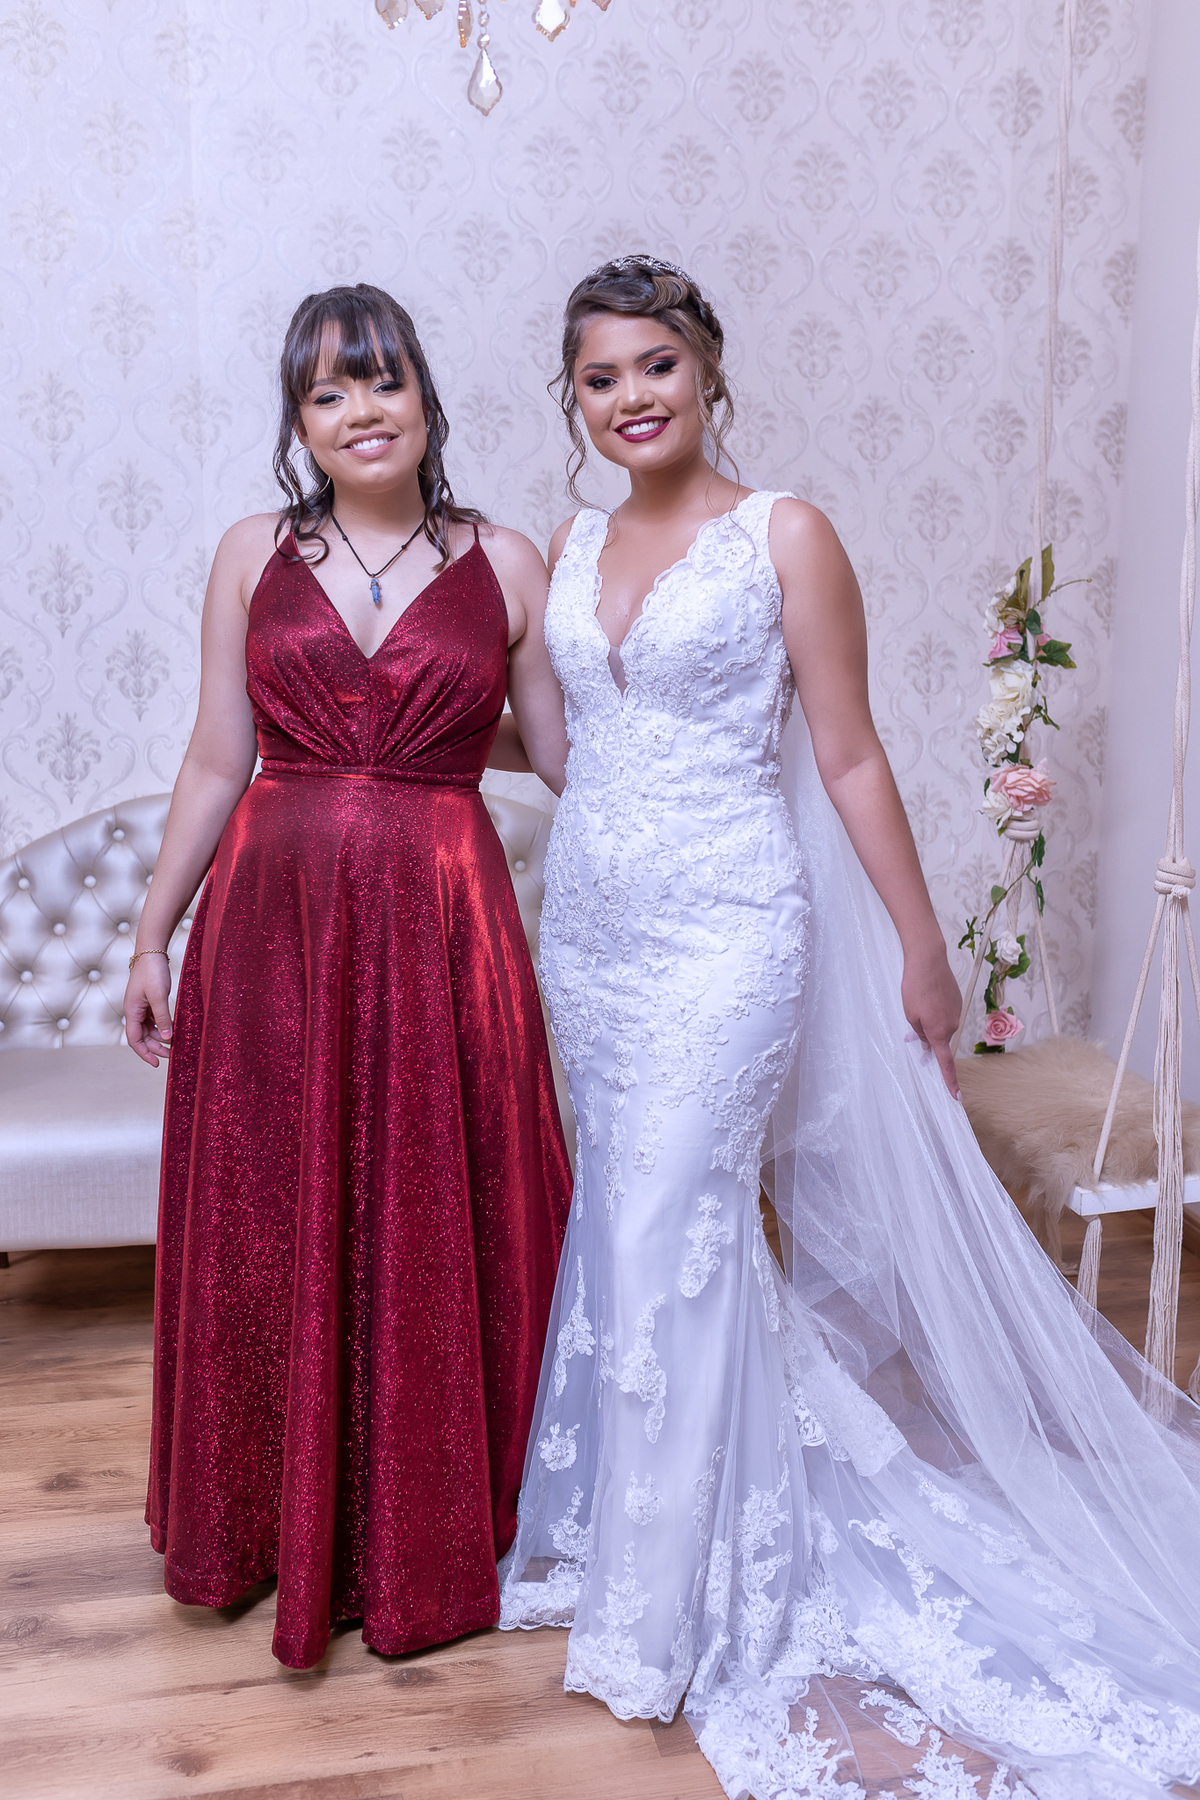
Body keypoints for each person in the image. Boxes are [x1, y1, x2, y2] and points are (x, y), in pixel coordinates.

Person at [499, 257, 1200, 1797]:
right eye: (602, 377)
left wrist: (919, 947)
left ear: (708, 368)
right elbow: (560, 748)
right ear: (575, 398)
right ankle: (650, 1528)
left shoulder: (786, 534)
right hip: (596, 942)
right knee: (629, 1228)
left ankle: (664, 1608)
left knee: (678, 1224)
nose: (632, 397)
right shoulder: (567, 542)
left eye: (657, 365)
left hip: (731, 930)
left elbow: (853, 755)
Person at [124, 283, 572, 1671]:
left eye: (383, 381)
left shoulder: (508, 560)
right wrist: (150, 935)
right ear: (300, 425)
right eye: (328, 393)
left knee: (434, 1210)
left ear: (427, 396)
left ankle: (426, 1528)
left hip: (445, 932)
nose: (362, 411)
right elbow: (218, 757)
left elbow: (567, 756)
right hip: (275, 932)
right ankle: (264, 1524)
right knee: (272, 1211)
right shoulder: (250, 552)